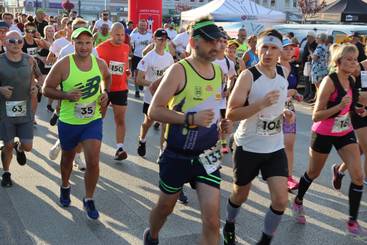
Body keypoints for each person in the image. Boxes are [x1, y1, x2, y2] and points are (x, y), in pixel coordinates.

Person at [143, 18, 231, 245]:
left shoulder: (220, 73)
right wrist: (190, 119)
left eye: (219, 42)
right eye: (211, 42)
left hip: (207, 155)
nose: (217, 47)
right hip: (177, 153)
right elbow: (154, 110)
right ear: (194, 42)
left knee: (212, 221)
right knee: (165, 208)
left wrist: (223, 127)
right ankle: (151, 235)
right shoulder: (179, 70)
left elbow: (216, 109)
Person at [223, 29, 293, 245]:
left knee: (281, 200)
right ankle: (230, 223)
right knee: (240, 195)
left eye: (273, 48)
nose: (268, 53)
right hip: (248, 146)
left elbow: (279, 103)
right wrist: (260, 105)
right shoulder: (248, 76)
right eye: (264, 47)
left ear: (280, 51)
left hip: (274, 147)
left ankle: (264, 241)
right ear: (257, 48)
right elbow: (231, 113)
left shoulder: (283, 72)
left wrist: (285, 112)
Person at [291, 43, 367, 237]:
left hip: (344, 131)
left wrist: (356, 109)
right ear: (339, 61)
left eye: (355, 59)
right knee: (313, 173)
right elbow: (316, 115)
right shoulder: (329, 81)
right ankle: (298, 200)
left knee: (358, 176)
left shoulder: (351, 79)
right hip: (323, 132)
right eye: (348, 59)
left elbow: (348, 106)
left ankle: (352, 220)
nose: (353, 62)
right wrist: (339, 105)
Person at [43, 27, 110, 220]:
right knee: (67, 159)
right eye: (79, 42)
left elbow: (106, 79)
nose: (84, 47)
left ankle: (89, 199)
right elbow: (46, 88)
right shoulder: (64, 64)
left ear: (92, 44)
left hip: (92, 120)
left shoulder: (99, 63)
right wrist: (65, 95)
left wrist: (105, 93)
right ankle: (65, 186)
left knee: (93, 161)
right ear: (72, 43)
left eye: (88, 42)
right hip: (69, 121)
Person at [0, 31, 40, 187]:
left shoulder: (30, 60)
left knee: (28, 146)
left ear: (23, 43)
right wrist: (1, 89)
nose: (16, 43)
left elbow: (38, 77)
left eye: (19, 41)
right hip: (4, 111)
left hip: (25, 109)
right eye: (12, 41)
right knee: (7, 144)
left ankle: (20, 148)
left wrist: (36, 87)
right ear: (4, 43)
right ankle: (6, 173)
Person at [331, 51, 367, 189]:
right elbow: (345, 88)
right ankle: (364, 182)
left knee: (361, 149)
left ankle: (339, 170)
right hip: (358, 111)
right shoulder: (359, 68)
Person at [136, 28, 174, 158]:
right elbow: (138, 80)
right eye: (160, 40)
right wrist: (152, 84)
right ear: (154, 39)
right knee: (148, 123)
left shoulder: (169, 57)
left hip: (164, 96)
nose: (163, 42)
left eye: (165, 40)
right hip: (150, 97)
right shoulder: (148, 58)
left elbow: (171, 76)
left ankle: (162, 152)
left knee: (165, 124)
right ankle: (142, 139)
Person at [96, 22, 130, 161]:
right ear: (110, 34)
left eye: (122, 35)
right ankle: (94, 144)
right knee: (98, 119)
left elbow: (125, 65)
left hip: (121, 89)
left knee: (120, 119)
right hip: (105, 88)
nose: (120, 37)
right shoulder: (100, 48)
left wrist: (127, 72)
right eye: (117, 34)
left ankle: (120, 148)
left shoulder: (126, 47)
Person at [279, 38, 302, 191]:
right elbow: (272, 91)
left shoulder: (294, 67)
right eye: (286, 48)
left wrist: (296, 94)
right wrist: (291, 92)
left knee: (289, 144)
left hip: (288, 109)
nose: (289, 51)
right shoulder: (273, 67)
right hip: (271, 110)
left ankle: (288, 177)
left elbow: (291, 89)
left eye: (291, 48)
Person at [213, 36, 236, 154]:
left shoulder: (229, 62)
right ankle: (213, 147)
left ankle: (221, 144)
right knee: (210, 125)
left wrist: (228, 89)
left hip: (221, 98)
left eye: (224, 41)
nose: (222, 44)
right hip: (209, 99)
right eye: (219, 41)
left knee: (223, 122)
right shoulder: (210, 59)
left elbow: (231, 77)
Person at [130, 19, 152, 98]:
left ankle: (141, 83)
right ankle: (136, 91)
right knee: (136, 74)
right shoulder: (134, 35)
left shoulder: (149, 35)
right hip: (136, 56)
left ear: (146, 26)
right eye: (141, 25)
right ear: (138, 26)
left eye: (144, 25)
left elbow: (152, 46)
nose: (142, 27)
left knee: (144, 74)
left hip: (146, 57)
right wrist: (131, 52)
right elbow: (130, 45)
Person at [310, 33, 328, 101]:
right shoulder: (324, 47)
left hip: (318, 69)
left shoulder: (320, 47)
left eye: (317, 37)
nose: (316, 39)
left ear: (321, 39)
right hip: (322, 68)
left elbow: (315, 58)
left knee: (319, 87)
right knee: (319, 86)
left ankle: (319, 102)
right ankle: (316, 101)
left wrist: (311, 54)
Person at [302, 31, 317, 102]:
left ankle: (311, 95)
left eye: (309, 36)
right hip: (306, 64)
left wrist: (310, 56)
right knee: (306, 79)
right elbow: (304, 54)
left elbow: (315, 56)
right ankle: (306, 94)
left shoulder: (316, 45)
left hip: (313, 65)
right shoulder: (307, 44)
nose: (307, 38)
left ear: (313, 37)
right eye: (307, 36)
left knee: (311, 81)